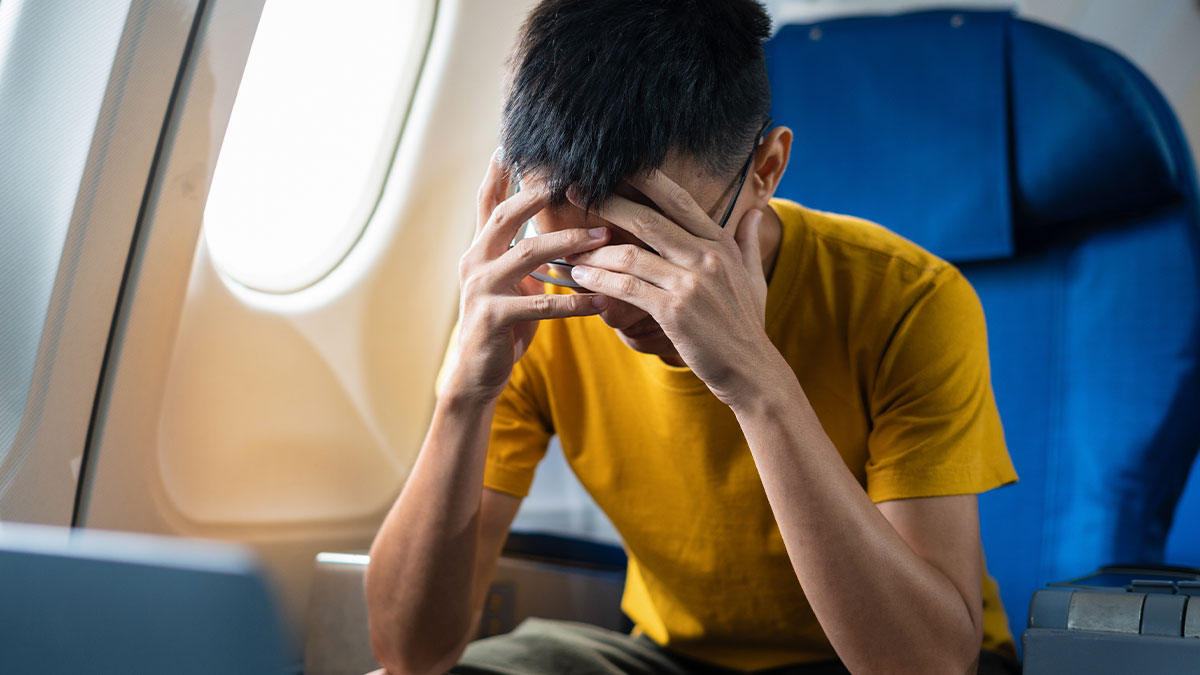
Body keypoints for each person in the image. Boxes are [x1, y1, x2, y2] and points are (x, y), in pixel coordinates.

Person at [365, 1, 1020, 673]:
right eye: (581, 251)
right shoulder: (536, 300)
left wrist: (757, 383)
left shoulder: (908, 298)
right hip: (670, 660)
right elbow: (411, 654)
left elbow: (930, 664)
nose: (616, 301)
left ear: (766, 170)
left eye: (661, 248)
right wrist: (461, 399)